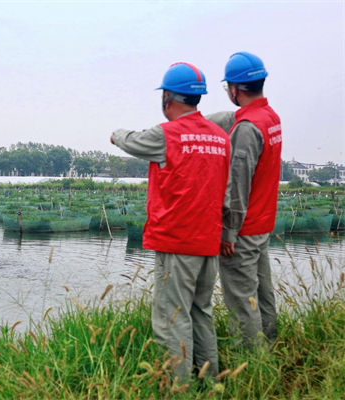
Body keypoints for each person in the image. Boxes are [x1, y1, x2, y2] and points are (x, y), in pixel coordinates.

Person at [111, 62, 230, 380]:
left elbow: (130, 141)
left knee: (171, 318)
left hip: (177, 242)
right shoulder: (220, 138)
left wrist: (115, 134)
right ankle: (210, 383)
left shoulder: (166, 135)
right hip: (210, 242)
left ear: (168, 97)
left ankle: (179, 390)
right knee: (200, 313)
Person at [207, 52, 282, 347]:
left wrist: (228, 232)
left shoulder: (247, 129)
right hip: (263, 223)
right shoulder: (270, 117)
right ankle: (272, 346)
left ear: (236, 89)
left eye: (228, 88)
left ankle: (252, 365)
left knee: (241, 302)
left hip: (244, 230)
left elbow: (237, 187)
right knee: (263, 292)